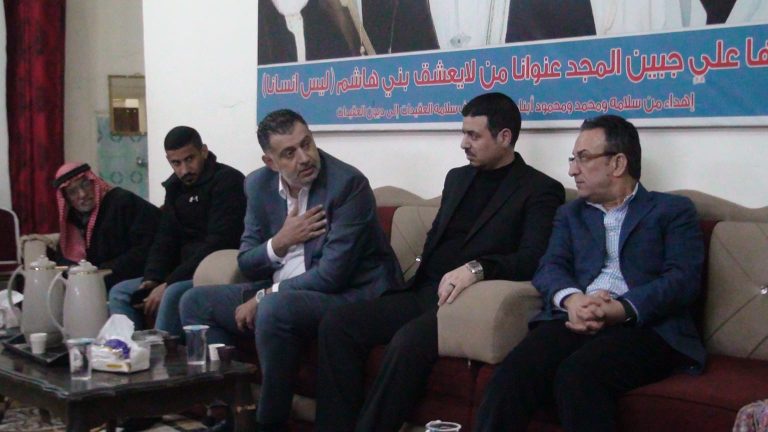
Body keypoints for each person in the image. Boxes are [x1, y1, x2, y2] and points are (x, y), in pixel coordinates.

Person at [314, 92, 566, 432]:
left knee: (407, 342)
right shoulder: (457, 178)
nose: (464, 143)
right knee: (338, 324)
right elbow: (436, 238)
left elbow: (532, 258)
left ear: (504, 137)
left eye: (473, 135)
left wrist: (477, 269)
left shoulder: (539, 189)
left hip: (465, 304)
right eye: (463, 133)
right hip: (423, 291)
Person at [474, 115, 706, 432]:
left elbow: (682, 279)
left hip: (645, 327)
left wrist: (620, 309)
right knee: (513, 372)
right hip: (576, 316)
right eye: (572, 159)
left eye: (583, 158)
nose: (572, 170)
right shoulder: (570, 214)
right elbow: (550, 266)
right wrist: (573, 301)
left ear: (618, 163)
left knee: (578, 376)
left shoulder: (672, 210)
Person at [179, 109, 403, 430]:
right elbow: (246, 261)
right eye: (289, 153)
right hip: (284, 290)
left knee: (273, 309)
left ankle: (269, 423)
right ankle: (231, 413)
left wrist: (265, 296)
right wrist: (279, 242)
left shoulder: (347, 185)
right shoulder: (258, 185)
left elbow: (332, 275)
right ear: (270, 162)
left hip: (350, 294)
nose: (304, 157)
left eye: (306, 143)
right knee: (193, 302)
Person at [108, 126, 246, 338]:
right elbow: (165, 238)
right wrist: (152, 278)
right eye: (176, 163)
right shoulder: (175, 188)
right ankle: (128, 351)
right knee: (120, 292)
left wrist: (169, 283)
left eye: (190, 159)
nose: (184, 170)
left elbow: (218, 242)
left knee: (172, 293)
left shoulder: (228, 181)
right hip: (178, 271)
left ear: (204, 151)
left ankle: (163, 354)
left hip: (211, 271)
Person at [52, 162, 160, 290]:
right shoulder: (72, 223)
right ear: (67, 199)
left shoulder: (122, 202)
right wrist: (75, 271)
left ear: (94, 182)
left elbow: (147, 247)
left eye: (85, 184)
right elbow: (63, 260)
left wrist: (102, 271)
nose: (82, 194)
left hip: (135, 276)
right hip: (92, 283)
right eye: (72, 192)